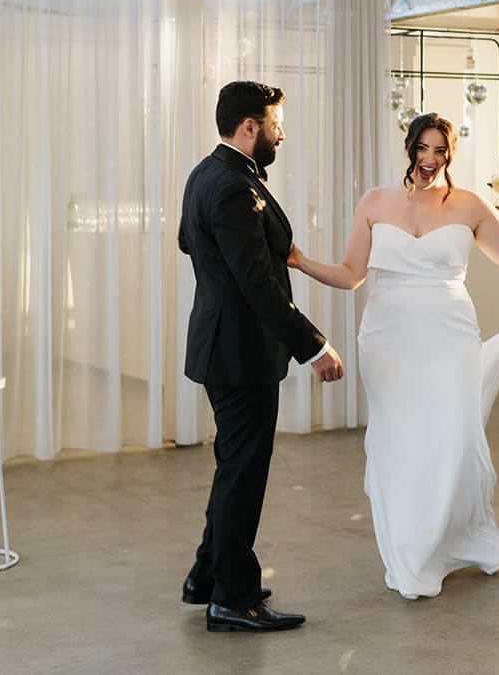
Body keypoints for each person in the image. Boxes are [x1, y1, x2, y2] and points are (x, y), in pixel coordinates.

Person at [289, 113, 499, 599]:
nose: (430, 159)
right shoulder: (375, 201)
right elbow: (352, 273)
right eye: (423, 148)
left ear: (450, 155)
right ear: (409, 148)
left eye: (440, 150)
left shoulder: (469, 204)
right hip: (388, 336)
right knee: (398, 444)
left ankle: (455, 539)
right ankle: (410, 550)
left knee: (453, 439)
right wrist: (300, 261)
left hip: (450, 334)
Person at [179, 81, 346, 633]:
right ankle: (233, 598)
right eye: (276, 125)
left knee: (234, 466)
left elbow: (189, 241)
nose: (282, 134)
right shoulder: (231, 186)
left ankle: (209, 576)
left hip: (223, 345)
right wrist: (314, 345)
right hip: (239, 353)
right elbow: (257, 284)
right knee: (243, 474)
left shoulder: (207, 173)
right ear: (249, 128)